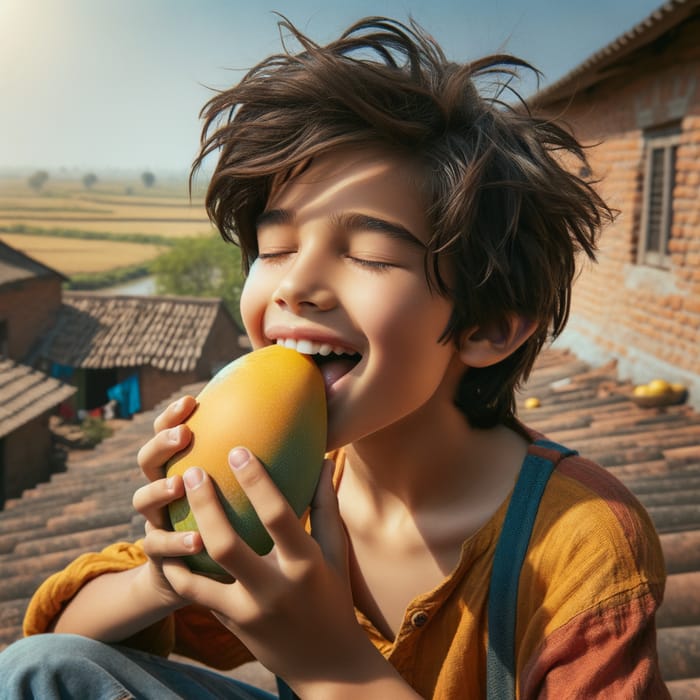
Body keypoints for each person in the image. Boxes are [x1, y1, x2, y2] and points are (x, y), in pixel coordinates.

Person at [0, 16, 669, 699]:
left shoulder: (580, 543)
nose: (295, 285)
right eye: (276, 248)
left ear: (490, 327)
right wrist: (171, 569)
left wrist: (330, 665)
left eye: (368, 254)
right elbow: (58, 644)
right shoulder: (286, 482)